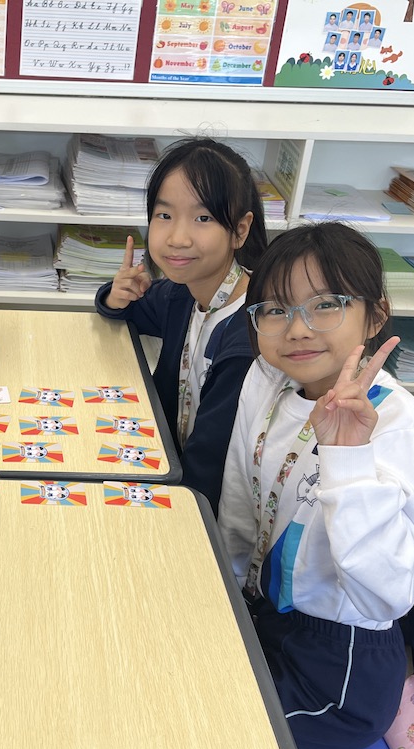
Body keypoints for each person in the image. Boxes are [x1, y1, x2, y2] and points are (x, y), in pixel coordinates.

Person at [218, 222, 414, 749]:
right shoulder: (266, 379)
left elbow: (388, 594)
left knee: (201, 726)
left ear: (376, 315)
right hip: (265, 614)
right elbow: (240, 502)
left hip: (339, 670)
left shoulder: (398, 423)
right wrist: (223, 597)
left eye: (325, 305)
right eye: (275, 309)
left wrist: (347, 457)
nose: (297, 329)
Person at [95, 137, 267, 512]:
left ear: (240, 230)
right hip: (169, 461)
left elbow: (208, 463)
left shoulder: (247, 339)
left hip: (204, 505)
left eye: (203, 218)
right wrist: (115, 296)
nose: (177, 238)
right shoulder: (184, 292)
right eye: (164, 215)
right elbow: (135, 309)